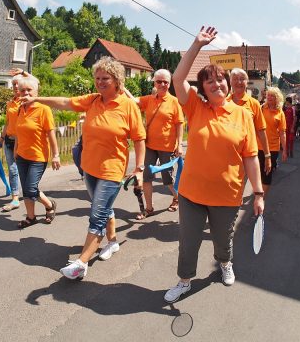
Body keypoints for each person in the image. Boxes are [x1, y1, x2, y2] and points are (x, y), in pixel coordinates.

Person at [163, 26, 264, 303]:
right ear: (203, 88)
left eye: (221, 80)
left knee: (223, 239)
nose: (217, 84)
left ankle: (224, 262)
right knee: (189, 241)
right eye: (210, 82)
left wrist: (258, 193)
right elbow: (177, 77)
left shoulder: (243, 114)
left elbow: (250, 156)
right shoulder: (195, 106)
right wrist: (197, 44)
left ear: (228, 84)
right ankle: (184, 280)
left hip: (227, 195)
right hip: (192, 192)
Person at [20, 57, 146, 279]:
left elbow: (139, 139)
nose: (99, 82)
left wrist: (139, 168)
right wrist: (36, 99)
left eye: (105, 78)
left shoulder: (128, 107)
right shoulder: (93, 100)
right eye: (97, 78)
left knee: (97, 215)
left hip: (112, 170)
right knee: (104, 208)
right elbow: (66, 102)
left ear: (116, 80)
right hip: (89, 167)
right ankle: (113, 242)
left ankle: (81, 263)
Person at [125, 69, 184, 218]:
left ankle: (177, 197)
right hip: (149, 146)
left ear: (169, 84)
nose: (162, 84)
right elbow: (134, 101)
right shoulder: (150, 99)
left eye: (166, 82)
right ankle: (148, 208)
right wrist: (122, 87)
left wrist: (180, 144)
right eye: (159, 81)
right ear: (154, 83)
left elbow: (179, 124)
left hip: (167, 146)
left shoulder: (174, 101)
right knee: (146, 177)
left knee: (168, 179)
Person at [13, 73, 60, 228]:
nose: (25, 93)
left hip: (38, 157)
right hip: (21, 155)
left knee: (31, 188)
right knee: (26, 190)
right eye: (22, 90)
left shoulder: (43, 109)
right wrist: (15, 149)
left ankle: (49, 205)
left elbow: (51, 133)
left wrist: (56, 155)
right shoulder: (20, 109)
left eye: (29, 90)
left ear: (36, 92)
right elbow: (19, 132)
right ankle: (31, 217)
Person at [227, 68, 272, 175]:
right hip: (227, 153)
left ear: (247, 82)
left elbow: (261, 131)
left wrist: (267, 155)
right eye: (235, 79)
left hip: (247, 155)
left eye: (242, 79)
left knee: (241, 184)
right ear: (230, 82)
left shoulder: (254, 104)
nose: (239, 82)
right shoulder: (224, 102)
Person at [0, 70, 23, 211]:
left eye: (18, 84)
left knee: (23, 170)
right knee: (12, 170)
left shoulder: (26, 103)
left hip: (22, 142)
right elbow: (7, 122)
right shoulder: (10, 104)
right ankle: (15, 198)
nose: (15, 87)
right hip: (9, 141)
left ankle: (31, 192)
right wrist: (1, 139)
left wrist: (23, 73)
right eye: (13, 85)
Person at [260, 87, 287, 194]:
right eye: (269, 95)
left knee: (267, 173)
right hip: (258, 146)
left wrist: (284, 150)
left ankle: (261, 199)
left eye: (273, 96)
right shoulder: (261, 108)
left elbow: (282, 132)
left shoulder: (280, 113)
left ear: (277, 98)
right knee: (258, 172)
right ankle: (258, 194)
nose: (270, 97)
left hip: (272, 148)